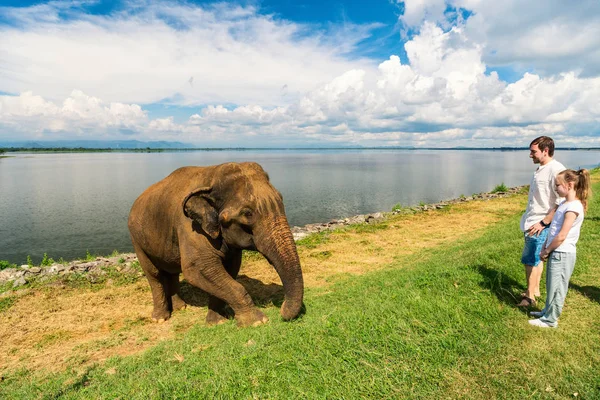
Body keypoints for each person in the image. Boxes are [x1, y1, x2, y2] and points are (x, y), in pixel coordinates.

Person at [529, 169, 591, 328]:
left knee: (558, 287)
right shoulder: (564, 203)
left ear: (569, 185)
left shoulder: (573, 208)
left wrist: (547, 250)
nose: (555, 188)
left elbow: (562, 235)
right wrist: (545, 245)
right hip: (556, 251)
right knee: (551, 284)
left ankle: (550, 320)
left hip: (563, 253)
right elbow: (554, 229)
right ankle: (547, 311)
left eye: (557, 185)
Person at [518, 136, 565, 307]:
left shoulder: (556, 170)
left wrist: (544, 222)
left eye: (533, 151)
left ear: (546, 151)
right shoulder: (542, 168)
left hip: (539, 223)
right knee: (536, 257)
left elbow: (561, 201)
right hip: (532, 219)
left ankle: (529, 297)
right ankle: (535, 289)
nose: (530, 155)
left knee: (530, 259)